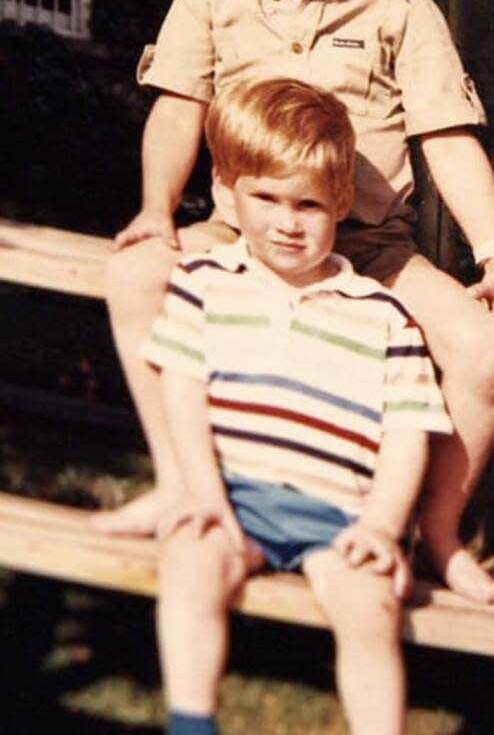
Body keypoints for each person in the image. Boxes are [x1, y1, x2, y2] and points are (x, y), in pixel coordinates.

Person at [95, 0, 494, 605]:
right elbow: (178, 111)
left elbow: (449, 137)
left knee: (486, 356)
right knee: (135, 273)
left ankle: (434, 535)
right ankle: (185, 485)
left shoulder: (400, 9)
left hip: (372, 250)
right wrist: (154, 211)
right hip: (244, 237)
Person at [147, 77, 452, 735]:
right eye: (266, 198)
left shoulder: (384, 315)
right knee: (189, 569)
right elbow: (182, 392)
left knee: (369, 611)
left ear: (341, 202)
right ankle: (190, 724)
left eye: (308, 204)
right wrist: (204, 495)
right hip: (236, 499)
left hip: (338, 515)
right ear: (227, 192)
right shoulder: (204, 285)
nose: (286, 222)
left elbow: (406, 434)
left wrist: (380, 525)